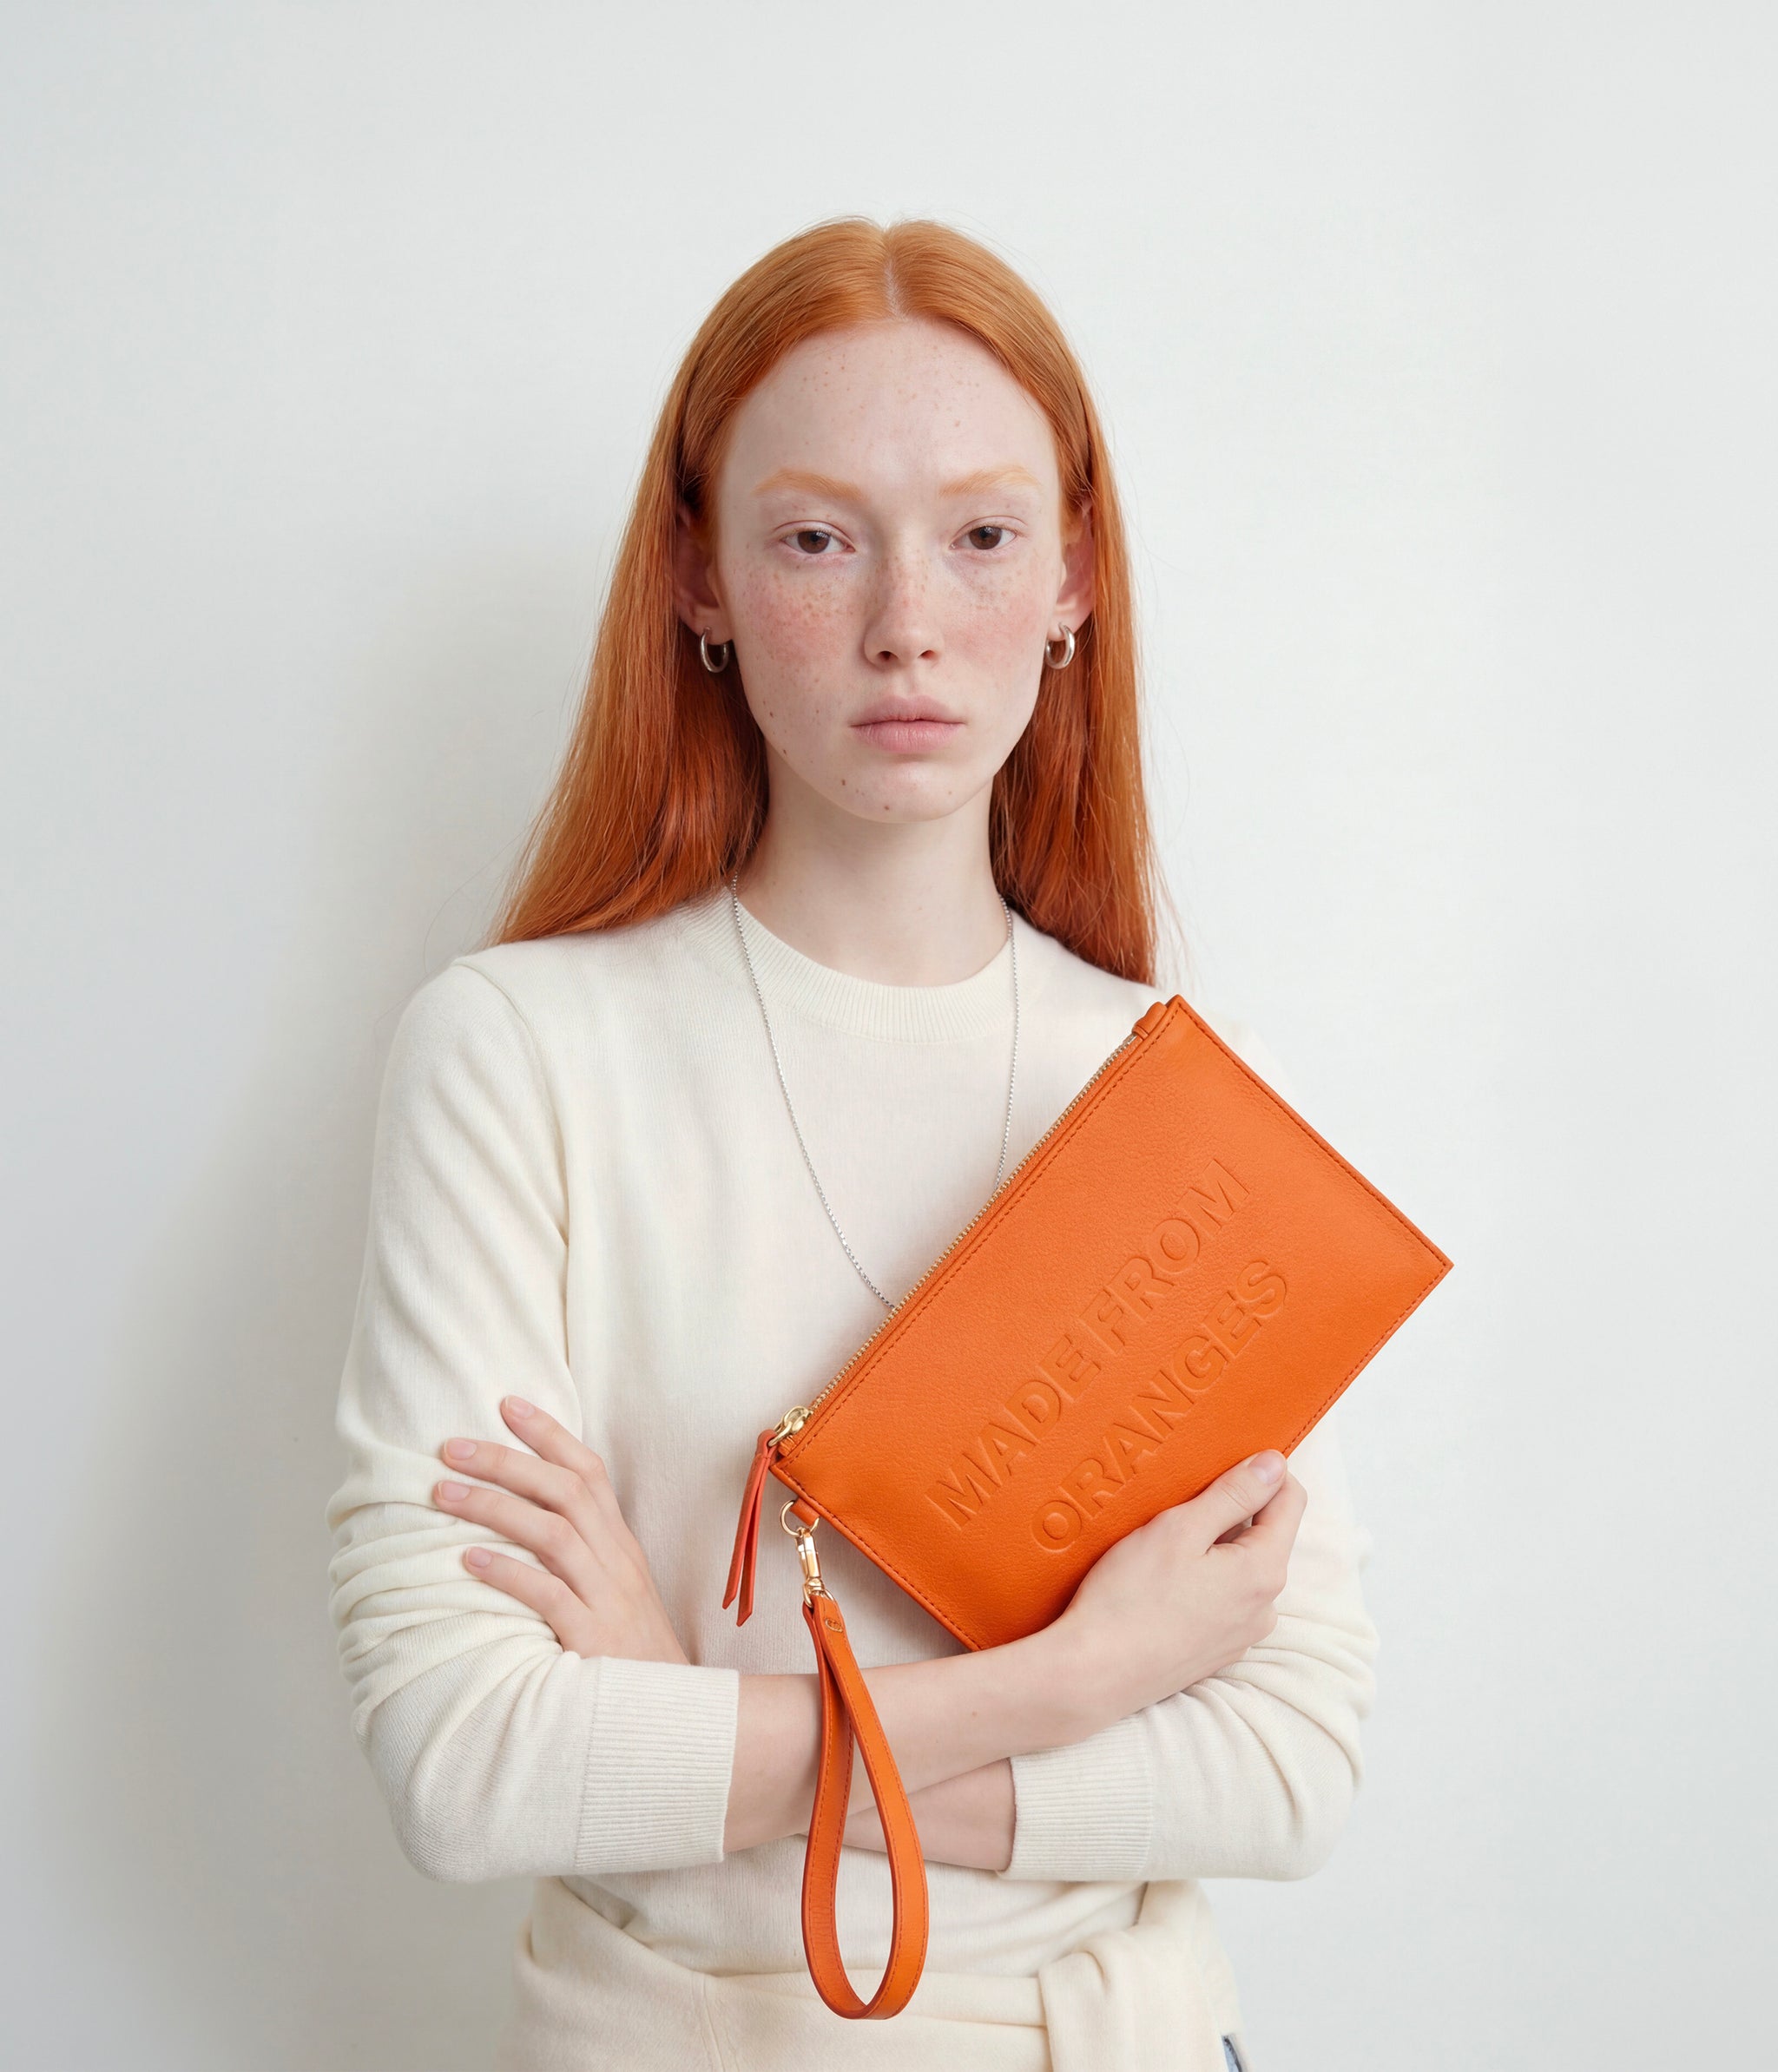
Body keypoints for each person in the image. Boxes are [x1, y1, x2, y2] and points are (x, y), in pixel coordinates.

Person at [324, 215, 1380, 2072]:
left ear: (1073, 577)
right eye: (818, 538)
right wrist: (1080, 1680)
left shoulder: (1183, 1091)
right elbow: (466, 1762)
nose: (907, 621)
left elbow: (1289, 1768)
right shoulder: (521, 1054)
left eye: (982, 536)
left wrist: (681, 1719)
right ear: (701, 578)